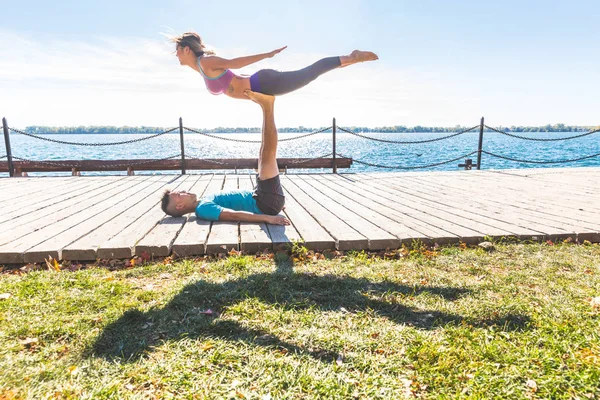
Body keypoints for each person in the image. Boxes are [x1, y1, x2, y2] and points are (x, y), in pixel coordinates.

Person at [161, 90, 290, 225]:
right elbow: (233, 216)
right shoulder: (203, 209)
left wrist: (274, 206)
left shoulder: (203, 202)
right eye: (179, 194)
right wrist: (268, 217)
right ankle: (267, 105)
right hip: (265, 203)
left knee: (264, 154)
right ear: (180, 206)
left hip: (264, 199)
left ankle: (266, 105)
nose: (183, 191)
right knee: (267, 154)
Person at [172, 32, 378, 99]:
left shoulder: (206, 62)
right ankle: (351, 59)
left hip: (264, 83)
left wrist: (267, 55)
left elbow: (234, 62)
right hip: (261, 84)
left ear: (187, 49)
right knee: (310, 74)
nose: (176, 55)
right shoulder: (201, 68)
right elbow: (233, 74)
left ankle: (352, 57)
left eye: (178, 50)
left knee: (310, 73)